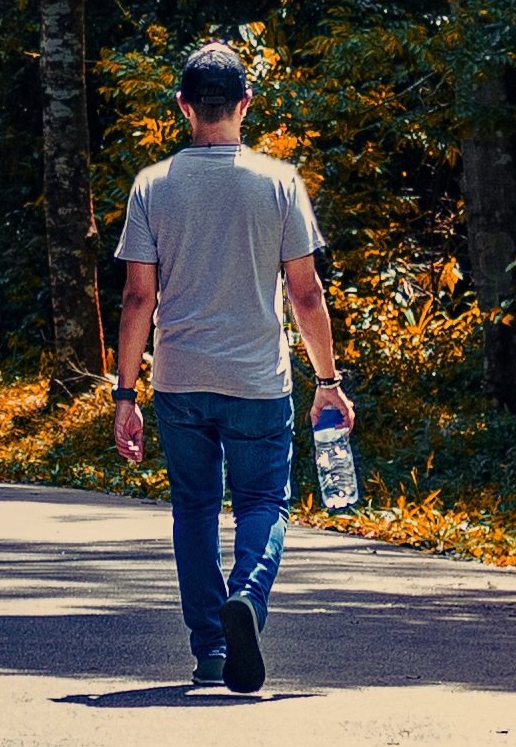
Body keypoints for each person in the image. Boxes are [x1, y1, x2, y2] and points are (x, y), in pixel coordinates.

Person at [108, 41, 354, 692]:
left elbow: (137, 297)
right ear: (244, 104)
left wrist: (124, 394)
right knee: (260, 502)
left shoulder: (151, 188)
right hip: (256, 382)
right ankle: (246, 594)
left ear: (184, 107)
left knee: (192, 510)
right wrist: (327, 381)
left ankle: (211, 650)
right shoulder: (279, 184)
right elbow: (306, 294)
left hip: (180, 380)